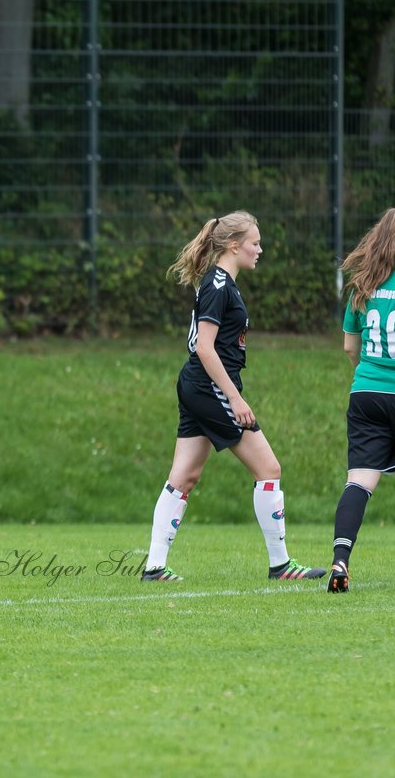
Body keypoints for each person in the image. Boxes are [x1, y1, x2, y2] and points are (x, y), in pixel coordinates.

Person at [141, 211, 324, 582]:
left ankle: (154, 568)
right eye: (255, 243)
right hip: (209, 385)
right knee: (269, 469)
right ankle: (281, 565)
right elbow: (205, 348)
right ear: (233, 245)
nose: (260, 249)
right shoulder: (219, 285)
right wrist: (235, 399)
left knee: (184, 476)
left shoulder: (222, 282)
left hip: (198, 384)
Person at [328, 207, 395, 592]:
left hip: (366, 392)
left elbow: (349, 347)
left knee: (359, 482)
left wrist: (369, 369)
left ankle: (340, 560)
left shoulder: (361, 285)